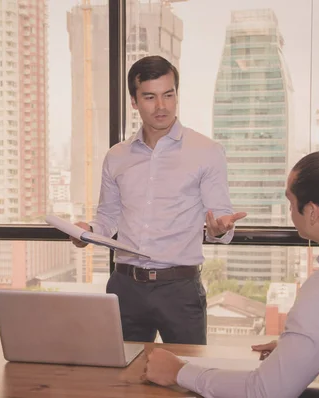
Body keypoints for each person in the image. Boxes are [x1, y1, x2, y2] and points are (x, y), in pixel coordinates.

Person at [143, 149, 319, 397]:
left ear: (312, 212)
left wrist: (179, 371)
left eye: (290, 202)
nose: (290, 211)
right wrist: (301, 346)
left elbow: (264, 390)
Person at [70, 55, 246, 345]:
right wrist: (86, 233)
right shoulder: (117, 156)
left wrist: (219, 229)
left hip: (179, 289)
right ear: (134, 102)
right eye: (150, 97)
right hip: (125, 286)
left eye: (169, 95)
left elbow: (221, 218)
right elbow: (108, 217)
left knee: (187, 380)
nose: (161, 106)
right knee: (121, 379)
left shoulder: (206, 151)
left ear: (177, 95)